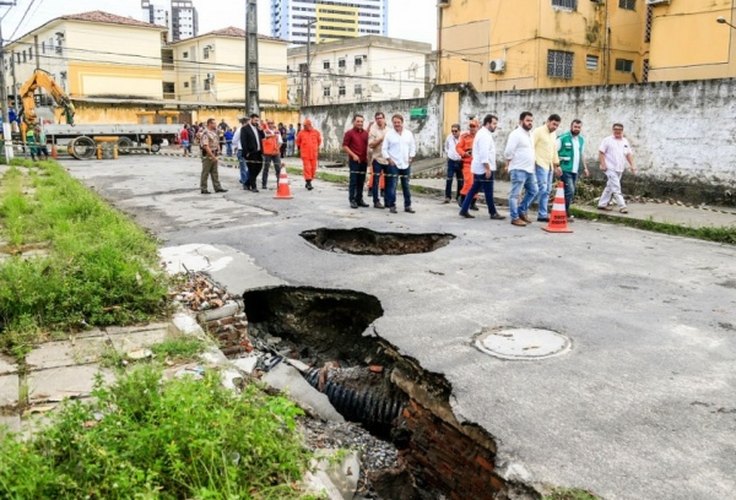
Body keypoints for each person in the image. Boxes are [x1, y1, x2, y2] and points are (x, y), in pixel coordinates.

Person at [459, 114, 505, 220]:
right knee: (488, 191)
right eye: (494, 123)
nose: (495, 126)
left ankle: (464, 209)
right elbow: (484, 154)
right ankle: (493, 213)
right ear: (488, 123)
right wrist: (487, 168)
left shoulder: (483, 133)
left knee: (474, 189)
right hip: (484, 168)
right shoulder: (484, 135)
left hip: (479, 167)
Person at [504, 111, 538, 227]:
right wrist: (509, 163)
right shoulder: (515, 134)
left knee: (534, 190)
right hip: (518, 168)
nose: (530, 123)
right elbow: (508, 151)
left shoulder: (530, 134)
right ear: (521, 121)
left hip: (529, 169)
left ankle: (521, 210)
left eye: (531, 121)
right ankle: (515, 217)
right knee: (515, 194)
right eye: (528, 120)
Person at [598, 123, 636, 213]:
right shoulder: (607, 140)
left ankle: (602, 204)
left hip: (620, 168)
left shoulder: (625, 141)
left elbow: (628, 154)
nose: (617, 131)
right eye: (615, 129)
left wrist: (632, 165)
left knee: (610, 187)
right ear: (613, 130)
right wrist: (603, 164)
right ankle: (622, 206)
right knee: (616, 187)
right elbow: (601, 152)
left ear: (622, 131)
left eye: (619, 129)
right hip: (610, 168)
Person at [382, 113, 416, 214]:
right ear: (392, 123)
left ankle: (408, 205)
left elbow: (412, 146)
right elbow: (384, 149)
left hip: (405, 163)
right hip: (394, 164)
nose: (397, 124)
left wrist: (411, 157)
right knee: (393, 185)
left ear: (402, 122)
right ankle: (392, 205)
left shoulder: (408, 134)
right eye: (395, 122)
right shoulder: (389, 134)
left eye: (399, 122)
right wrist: (389, 160)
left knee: (406, 185)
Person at [556, 119, 589, 220]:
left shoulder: (581, 140)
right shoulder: (562, 138)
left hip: (575, 170)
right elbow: (554, 152)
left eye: (579, 127)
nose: (577, 129)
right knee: (570, 190)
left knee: (570, 192)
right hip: (565, 169)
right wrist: (556, 166)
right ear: (571, 126)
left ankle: (562, 211)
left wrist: (585, 168)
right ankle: (565, 213)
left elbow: (582, 154)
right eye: (575, 127)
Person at [532, 114, 561, 222]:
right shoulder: (538, 131)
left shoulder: (553, 134)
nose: (555, 127)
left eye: (557, 125)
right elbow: (531, 146)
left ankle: (542, 215)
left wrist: (557, 165)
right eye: (554, 124)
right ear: (548, 121)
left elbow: (554, 150)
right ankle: (522, 209)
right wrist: (533, 162)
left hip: (549, 166)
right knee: (541, 190)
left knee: (547, 191)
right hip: (539, 164)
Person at [342, 114, 370, 209]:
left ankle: (359, 199)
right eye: (358, 121)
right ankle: (352, 200)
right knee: (353, 181)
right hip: (354, 161)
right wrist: (353, 155)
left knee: (361, 181)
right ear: (354, 122)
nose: (360, 123)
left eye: (361, 121)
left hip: (363, 161)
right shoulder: (349, 133)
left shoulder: (366, 134)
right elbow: (345, 146)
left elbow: (368, 147)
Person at [200, 118, 227, 194]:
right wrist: (212, 156)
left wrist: (218, 151)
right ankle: (204, 188)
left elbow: (216, 142)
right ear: (210, 124)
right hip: (208, 155)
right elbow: (206, 146)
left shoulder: (214, 132)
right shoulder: (205, 133)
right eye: (214, 123)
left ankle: (217, 187)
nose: (215, 125)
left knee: (215, 172)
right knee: (205, 172)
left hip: (214, 153)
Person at [456, 119, 479, 210]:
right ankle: (462, 198)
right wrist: (464, 154)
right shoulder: (464, 137)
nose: (472, 128)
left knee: (477, 184)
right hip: (467, 163)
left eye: (474, 126)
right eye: (471, 126)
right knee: (469, 182)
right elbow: (458, 147)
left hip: (477, 164)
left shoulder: (480, 137)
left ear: (478, 127)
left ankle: (473, 202)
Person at [367, 111, 389, 209]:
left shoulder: (389, 130)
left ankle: (388, 201)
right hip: (377, 159)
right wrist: (380, 139)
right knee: (375, 181)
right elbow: (371, 144)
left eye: (380, 118)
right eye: (377, 118)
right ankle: (376, 201)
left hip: (388, 159)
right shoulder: (373, 130)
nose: (379, 120)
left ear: (384, 119)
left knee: (388, 181)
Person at [240, 113, 264, 192]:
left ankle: (247, 183)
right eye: (255, 120)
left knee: (259, 167)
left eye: (258, 120)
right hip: (250, 153)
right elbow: (243, 141)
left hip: (258, 152)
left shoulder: (257, 128)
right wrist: (246, 152)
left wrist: (261, 130)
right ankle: (253, 186)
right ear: (251, 119)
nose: (256, 122)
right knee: (252, 169)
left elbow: (263, 137)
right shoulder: (245, 129)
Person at [296, 119, 321, 190]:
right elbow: (297, 142)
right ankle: (309, 182)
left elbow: (319, 142)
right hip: (305, 154)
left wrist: (314, 148)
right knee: (307, 168)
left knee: (313, 169)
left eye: (305, 125)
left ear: (309, 125)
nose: (304, 127)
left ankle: (308, 182)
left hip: (314, 154)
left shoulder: (316, 132)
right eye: (304, 126)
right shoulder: (301, 133)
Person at [444, 123, 463, 203]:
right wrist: (448, 153)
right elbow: (446, 146)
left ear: (459, 131)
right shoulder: (449, 137)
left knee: (460, 180)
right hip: (451, 160)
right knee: (449, 178)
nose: (454, 133)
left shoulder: (463, 138)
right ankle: (448, 196)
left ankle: (459, 196)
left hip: (460, 160)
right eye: (452, 131)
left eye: (455, 131)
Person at [261, 119, 282, 190]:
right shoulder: (265, 131)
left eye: (271, 123)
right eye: (269, 123)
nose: (270, 125)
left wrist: (277, 148)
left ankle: (279, 183)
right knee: (266, 168)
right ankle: (264, 184)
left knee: (278, 169)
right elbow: (263, 140)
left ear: (274, 124)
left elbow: (280, 142)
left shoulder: (277, 131)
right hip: (267, 153)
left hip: (276, 153)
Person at [232, 117, 249, 188]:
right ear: (245, 122)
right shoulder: (239, 130)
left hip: (248, 151)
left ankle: (245, 179)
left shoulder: (249, 130)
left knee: (249, 167)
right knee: (243, 167)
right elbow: (234, 140)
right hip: (241, 150)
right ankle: (245, 182)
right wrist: (238, 145)